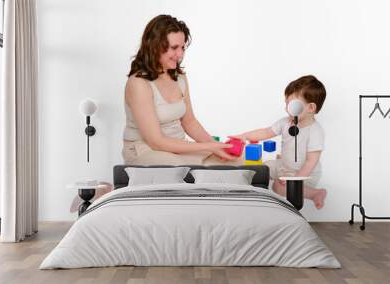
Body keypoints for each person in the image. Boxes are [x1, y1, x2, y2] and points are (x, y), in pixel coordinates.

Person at [123, 15, 242, 165]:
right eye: (174, 48)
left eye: (182, 48)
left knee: (235, 162)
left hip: (177, 148)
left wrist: (216, 147)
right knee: (181, 169)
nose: (180, 55)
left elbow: (190, 122)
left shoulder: (179, 77)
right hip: (145, 149)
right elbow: (156, 142)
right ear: (154, 46)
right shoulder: (139, 84)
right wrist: (208, 147)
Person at [230, 75, 327, 209]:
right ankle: (252, 200)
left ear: (310, 108)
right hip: (283, 165)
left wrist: (294, 180)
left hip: (305, 172)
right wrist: (244, 136)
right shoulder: (285, 122)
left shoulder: (315, 131)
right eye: (286, 104)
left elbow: (311, 161)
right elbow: (266, 132)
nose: (286, 109)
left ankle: (315, 193)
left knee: (278, 187)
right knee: (261, 170)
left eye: (291, 105)